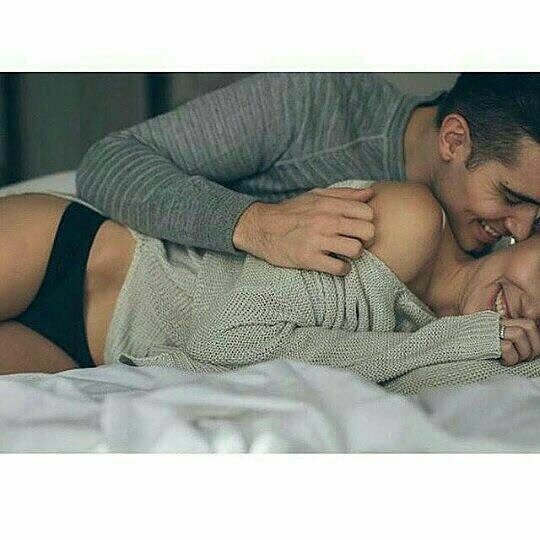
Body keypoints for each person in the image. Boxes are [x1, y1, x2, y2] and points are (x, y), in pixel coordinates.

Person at [0, 181, 538, 395]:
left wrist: (488, 351)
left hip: (91, 354)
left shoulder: (487, 348)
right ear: (528, 234)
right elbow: (230, 339)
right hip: (83, 258)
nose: (533, 307)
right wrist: (447, 343)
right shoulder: (411, 223)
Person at [75, 73, 540, 277]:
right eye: (509, 196)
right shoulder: (311, 104)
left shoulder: (515, 241)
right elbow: (109, 161)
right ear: (454, 140)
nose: (520, 231)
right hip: (103, 282)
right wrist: (255, 224)